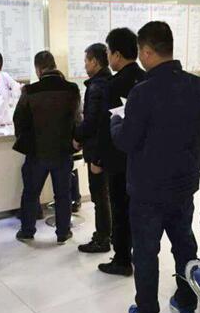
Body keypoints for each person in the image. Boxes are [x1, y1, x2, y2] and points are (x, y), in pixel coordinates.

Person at [111, 21, 200, 313]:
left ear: (145, 51)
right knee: (184, 245)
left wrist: (115, 123)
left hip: (147, 189)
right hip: (183, 184)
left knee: (146, 250)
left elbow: (127, 140)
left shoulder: (142, 93)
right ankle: (187, 304)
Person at [13, 50, 80, 244]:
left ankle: (27, 230)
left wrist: (25, 140)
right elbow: (78, 118)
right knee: (63, 194)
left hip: (37, 152)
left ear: (38, 69)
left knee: (31, 193)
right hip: (63, 150)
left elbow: (18, 119)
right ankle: (63, 232)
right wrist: (74, 140)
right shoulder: (72, 89)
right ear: (54, 65)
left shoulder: (30, 91)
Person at [96, 27, 146, 276]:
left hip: (118, 158)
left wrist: (98, 159)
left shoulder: (114, 85)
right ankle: (136, 253)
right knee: (137, 209)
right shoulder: (146, 78)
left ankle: (122, 259)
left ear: (116, 54)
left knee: (119, 208)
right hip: (142, 158)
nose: (107, 57)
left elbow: (106, 127)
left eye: (108, 52)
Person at [74, 43, 112, 253]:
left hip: (97, 150)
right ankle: (109, 234)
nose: (85, 65)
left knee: (99, 196)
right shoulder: (109, 81)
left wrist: (77, 137)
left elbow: (91, 121)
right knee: (107, 195)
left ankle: (102, 237)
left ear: (95, 62)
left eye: (86, 61)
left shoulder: (97, 87)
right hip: (107, 149)